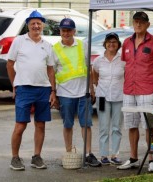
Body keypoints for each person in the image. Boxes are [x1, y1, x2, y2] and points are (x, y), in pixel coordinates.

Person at [7, 10, 57, 171]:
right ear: (28, 25)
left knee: (40, 125)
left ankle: (36, 157)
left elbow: (50, 70)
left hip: (43, 89)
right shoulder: (19, 41)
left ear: (42, 25)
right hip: (24, 89)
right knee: (20, 125)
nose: (36, 26)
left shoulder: (47, 45)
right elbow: (9, 64)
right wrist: (15, 85)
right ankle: (15, 158)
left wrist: (53, 90)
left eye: (39, 23)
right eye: (33, 23)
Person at [117, 12, 153, 172]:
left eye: (142, 22)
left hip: (147, 89)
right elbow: (125, 64)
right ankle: (133, 158)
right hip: (129, 89)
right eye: (136, 22)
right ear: (133, 23)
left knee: (148, 126)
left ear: (147, 24)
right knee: (131, 124)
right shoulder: (126, 43)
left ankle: (151, 159)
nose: (138, 24)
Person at [52, 18, 101, 167]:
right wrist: (53, 93)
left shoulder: (83, 45)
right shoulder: (54, 49)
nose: (66, 33)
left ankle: (88, 154)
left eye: (68, 30)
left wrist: (92, 89)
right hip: (65, 93)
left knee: (86, 124)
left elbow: (89, 67)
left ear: (74, 31)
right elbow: (51, 73)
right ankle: (69, 152)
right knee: (68, 125)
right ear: (60, 32)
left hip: (83, 93)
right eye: (63, 30)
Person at [92, 32, 125, 165]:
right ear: (105, 44)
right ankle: (104, 155)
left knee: (117, 127)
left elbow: (127, 76)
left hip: (119, 96)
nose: (111, 44)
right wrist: (96, 87)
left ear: (118, 45)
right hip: (102, 97)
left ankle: (115, 154)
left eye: (114, 42)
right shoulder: (98, 60)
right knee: (104, 127)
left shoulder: (123, 60)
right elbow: (94, 74)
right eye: (109, 42)